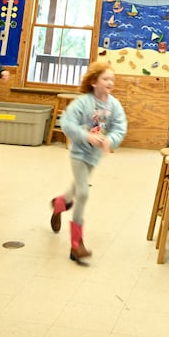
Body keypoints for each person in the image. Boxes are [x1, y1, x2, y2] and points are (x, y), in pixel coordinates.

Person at [49, 60, 127, 264]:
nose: (110, 82)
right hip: (78, 153)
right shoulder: (83, 102)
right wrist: (86, 136)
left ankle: (59, 203)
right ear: (94, 81)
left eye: (112, 79)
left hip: (95, 156)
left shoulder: (114, 105)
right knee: (83, 192)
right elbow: (66, 122)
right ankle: (76, 245)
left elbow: (120, 126)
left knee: (77, 186)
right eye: (105, 79)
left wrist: (110, 140)